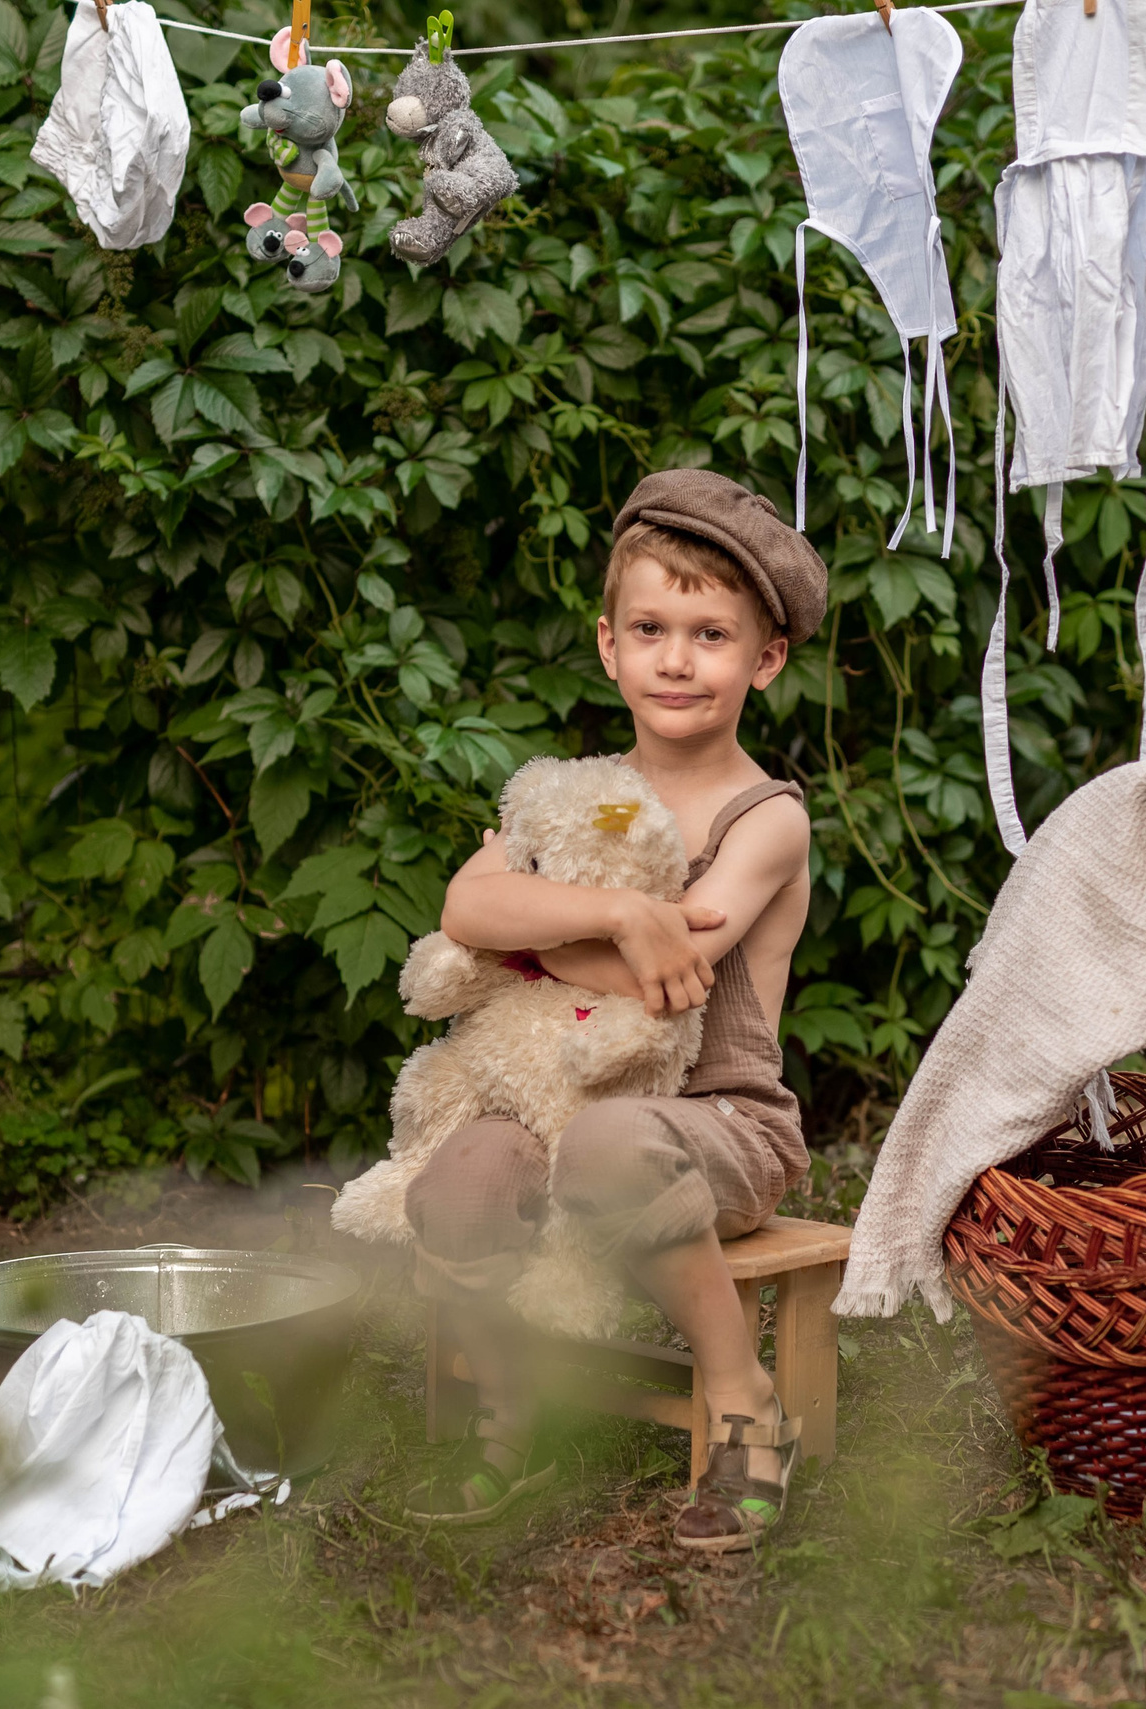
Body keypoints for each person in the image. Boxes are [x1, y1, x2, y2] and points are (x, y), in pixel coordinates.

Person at [399, 469, 826, 1553]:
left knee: (609, 1144)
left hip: (719, 1125)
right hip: (561, 1110)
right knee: (462, 1173)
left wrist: (548, 926)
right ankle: (515, 1411)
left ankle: (742, 1398)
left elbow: (666, 977)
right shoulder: (571, 796)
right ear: (608, 644)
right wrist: (625, 913)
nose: (675, 659)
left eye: (710, 634)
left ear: (765, 659)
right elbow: (462, 906)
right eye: (650, 629)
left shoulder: (766, 819)